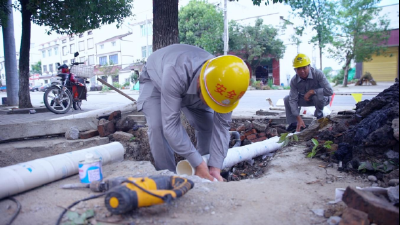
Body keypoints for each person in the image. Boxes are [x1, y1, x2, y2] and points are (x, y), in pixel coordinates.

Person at [137, 44, 250, 182]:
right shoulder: (177, 71)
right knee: (158, 126)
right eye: (210, 101)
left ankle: (205, 175)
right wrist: (196, 161)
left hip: (187, 84)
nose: (211, 106)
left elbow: (221, 128)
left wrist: (215, 167)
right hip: (156, 80)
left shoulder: (227, 85)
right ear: (200, 82)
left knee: (208, 126)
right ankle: (168, 178)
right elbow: (171, 126)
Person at [284, 53, 333, 133]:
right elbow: (293, 99)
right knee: (287, 99)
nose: (302, 71)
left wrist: (312, 91)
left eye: (304, 68)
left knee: (317, 96)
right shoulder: (294, 80)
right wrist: (298, 118)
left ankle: (319, 117)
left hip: (321, 100)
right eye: (299, 69)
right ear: (295, 70)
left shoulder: (318, 74)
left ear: (309, 66)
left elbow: (329, 91)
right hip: (305, 99)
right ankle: (294, 124)